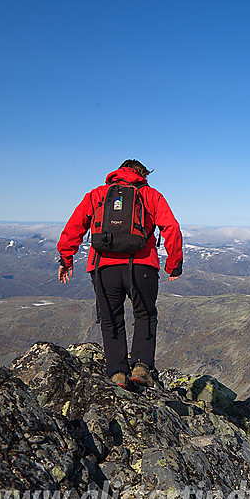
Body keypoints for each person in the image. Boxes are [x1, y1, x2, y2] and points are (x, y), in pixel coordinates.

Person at [57, 159, 183, 389]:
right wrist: (173, 264)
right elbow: (171, 228)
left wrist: (66, 257)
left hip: (104, 268)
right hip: (142, 266)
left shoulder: (98, 194)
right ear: (142, 174)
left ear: (118, 172)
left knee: (111, 319)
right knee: (144, 315)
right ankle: (141, 368)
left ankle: (117, 373)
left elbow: (75, 225)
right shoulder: (150, 195)